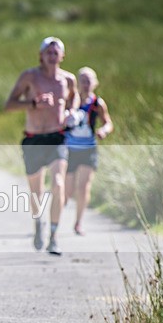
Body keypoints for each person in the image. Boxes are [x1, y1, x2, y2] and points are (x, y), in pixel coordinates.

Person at [4, 37, 79, 256]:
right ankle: (39, 224)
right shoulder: (30, 77)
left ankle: (54, 236)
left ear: (62, 56)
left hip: (57, 137)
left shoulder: (67, 80)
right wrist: (33, 103)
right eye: (48, 52)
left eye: (56, 53)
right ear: (41, 55)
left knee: (57, 184)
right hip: (33, 138)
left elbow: (74, 99)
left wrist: (72, 112)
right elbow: (9, 104)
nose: (52, 57)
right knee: (36, 191)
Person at [64, 66, 113, 236]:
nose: (85, 84)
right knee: (67, 190)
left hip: (88, 149)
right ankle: (54, 216)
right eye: (82, 80)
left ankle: (78, 223)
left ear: (95, 83)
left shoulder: (97, 103)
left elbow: (108, 122)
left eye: (89, 80)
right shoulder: (70, 101)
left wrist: (104, 131)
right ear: (77, 83)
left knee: (84, 187)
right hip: (70, 149)